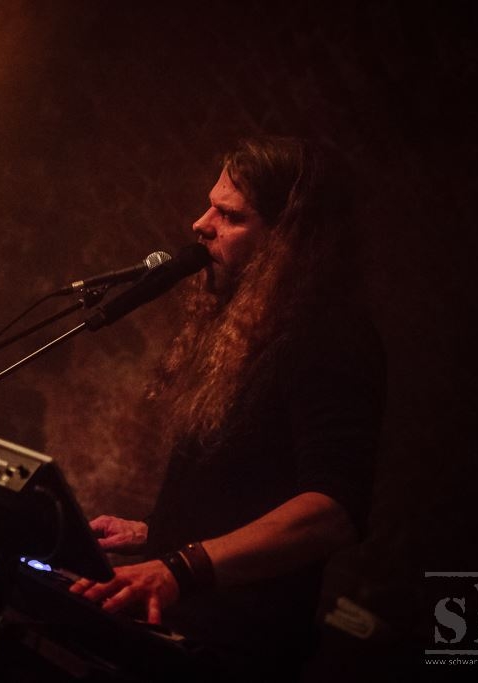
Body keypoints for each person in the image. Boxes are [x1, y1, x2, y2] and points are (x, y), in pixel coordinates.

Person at [69, 136, 386, 681]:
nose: (201, 224)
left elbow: (333, 510)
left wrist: (180, 568)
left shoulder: (332, 338)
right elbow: (250, 489)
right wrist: (157, 533)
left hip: (231, 653)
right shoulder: (255, 330)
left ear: (290, 238)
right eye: (210, 206)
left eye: (231, 216)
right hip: (177, 634)